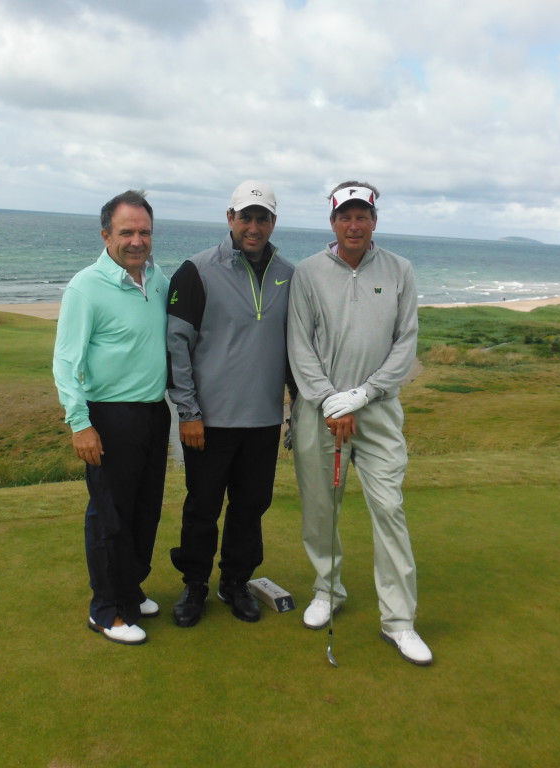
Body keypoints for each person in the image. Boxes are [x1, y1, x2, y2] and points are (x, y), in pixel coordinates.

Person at [287, 181, 432, 666]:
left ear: (374, 221)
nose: (354, 225)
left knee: (389, 507)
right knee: (320, 508)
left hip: (378, 411)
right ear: (332, 221)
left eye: (362, 216)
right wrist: (331, 400)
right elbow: (299, 346)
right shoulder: (308, 273)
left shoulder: (399, 271)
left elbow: (404, 345)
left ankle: (399, 621)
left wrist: (362, 395)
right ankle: (327, 590)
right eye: (345, 216)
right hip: (320, 412)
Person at [166, 180, 295, 627]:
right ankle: (195, 584)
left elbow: (297, 350)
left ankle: (235, 582)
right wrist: (188, 413)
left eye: (262, 218)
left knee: (250, 507)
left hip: (262, 420)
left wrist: (296, 407)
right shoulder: (196, 270)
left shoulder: (288, 275)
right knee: (202, 505)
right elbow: (176, 347)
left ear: (273, 222)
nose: (253, 227)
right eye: (246, 217)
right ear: (230, 218)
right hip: (209, 421)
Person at [53, 189, 170, 647]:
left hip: (152, 413)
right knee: (109, 515)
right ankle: (105, 609)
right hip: (108, 415)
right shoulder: (86, 287)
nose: (137, 240)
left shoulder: (158, 279)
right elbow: (66, 361)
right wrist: (79, 422)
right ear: (106, 235)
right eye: (126, 232)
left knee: (145, 510)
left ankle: (130, 590)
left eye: (144, 231)